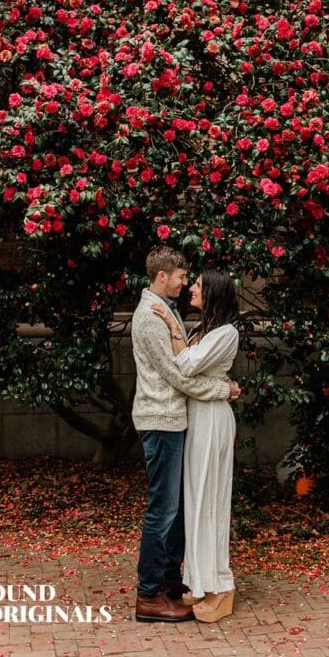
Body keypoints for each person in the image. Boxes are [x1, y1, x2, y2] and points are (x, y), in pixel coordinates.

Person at [131, 246, 241, 624]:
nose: (185, 283)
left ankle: (168, 583)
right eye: (182, 277)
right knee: (163, 510)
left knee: (176, 508)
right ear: (163, 276)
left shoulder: (174, 315)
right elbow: (178, 374)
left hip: (177, 420)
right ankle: (149, 596)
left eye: (191, 280)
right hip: (161, 420)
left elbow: (188, 364)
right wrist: (222, 390)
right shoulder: (150, 317)